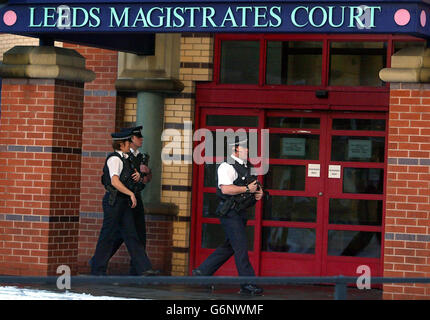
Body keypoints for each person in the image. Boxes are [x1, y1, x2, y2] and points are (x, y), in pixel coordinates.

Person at [192, 136, 264, 295]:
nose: (247, 151)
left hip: (240, 212)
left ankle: (202, 271)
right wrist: (247, 190)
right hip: (230, 213)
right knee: (240, 247)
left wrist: (259, 191)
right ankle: (247, 284)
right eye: (244, 148)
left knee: (230, 246)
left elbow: (253, 185)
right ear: (235, 149)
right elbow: (226, 189)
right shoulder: (226, 166)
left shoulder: (246, 166)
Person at [90, 129, 156, 276]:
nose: (129, 144)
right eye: (128, 142)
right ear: (122, 144)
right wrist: (130, 193)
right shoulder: (114, 159)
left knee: (132, 234)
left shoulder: (126, 158)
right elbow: (114, 181)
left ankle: (144, 268)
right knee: (107, 235)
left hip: (124, 201)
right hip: (114, 201)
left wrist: (139, 176)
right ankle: (97, 268)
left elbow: (131, 176)